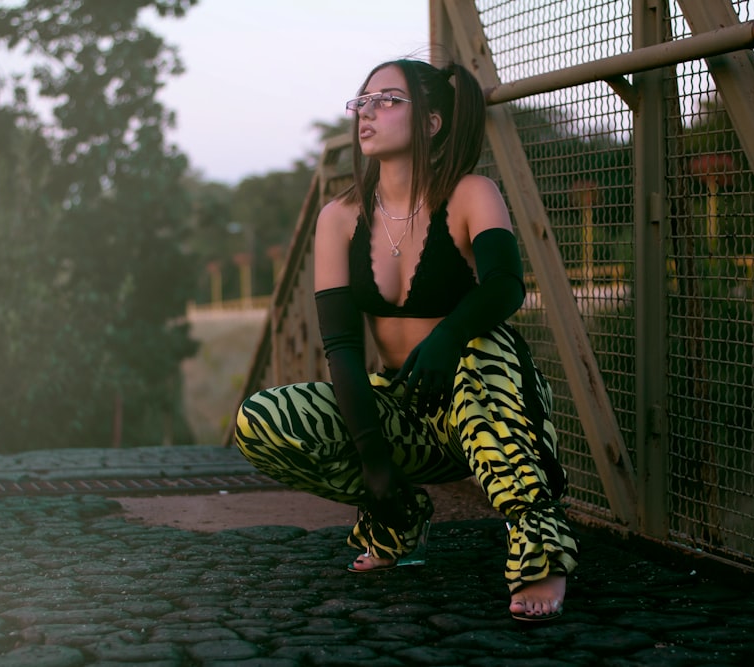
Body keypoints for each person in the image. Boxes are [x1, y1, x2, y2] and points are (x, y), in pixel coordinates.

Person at [234, 58, 579, 622]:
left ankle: (541, 544)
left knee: (482, 352)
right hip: (408, 410)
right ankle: (400, 516)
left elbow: (505, 286)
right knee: (262, 420)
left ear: (433, 122)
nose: (367, 113)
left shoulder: (472, 192)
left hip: (485, 401)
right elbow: (341, 345)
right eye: (362, 102)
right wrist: (374, 461)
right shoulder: (339, 217)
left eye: (388, 100)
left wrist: (448, 337)